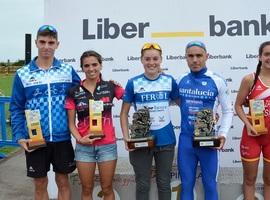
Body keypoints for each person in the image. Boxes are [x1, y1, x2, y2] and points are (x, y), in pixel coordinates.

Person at [9, 25, 80, 200]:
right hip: (35, 138)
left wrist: (105, 85)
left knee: (63, 181)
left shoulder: (67, 70)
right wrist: (19, 135)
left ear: (57, 44)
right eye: (42, 42)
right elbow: (16, 107)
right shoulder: (22, 74)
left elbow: (84, 93)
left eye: (51, 42)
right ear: (36, 43)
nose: (46, 46)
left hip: (62, 137)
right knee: (40, 184)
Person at [120, 43, 179, 200]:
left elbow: (183, 105)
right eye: (147, 59)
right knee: (143, 184)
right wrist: (126, 137)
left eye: (155, 58)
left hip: (166, 141)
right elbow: (123, 113)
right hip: (141, 141)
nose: (151, 62)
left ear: (161, 59)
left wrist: (209, 114)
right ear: (141, 60)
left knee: (164, 183)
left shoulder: (169, 81)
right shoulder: (133, 82)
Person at [177, 41, 233, 200]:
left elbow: (228, 111)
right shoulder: (180, 79)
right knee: (186, 184)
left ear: (206, 56)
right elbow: (164, 100)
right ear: (185, 58)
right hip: (186, 141)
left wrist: (222, 134)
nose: (195, 60)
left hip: (208, 141)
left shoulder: (217, 80)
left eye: (199, 55)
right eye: (191, 56)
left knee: (209, 184)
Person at [65, 50, 124, 200]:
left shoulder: (111, 87)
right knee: (86, 189)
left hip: (107, 145)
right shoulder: (73, 91)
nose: (91, 69)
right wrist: (80, 139)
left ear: (100, 65)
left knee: (107, 188)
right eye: (87, 65)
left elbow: (132, 97)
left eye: (94, 64)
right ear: (82, 68)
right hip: (84, 147)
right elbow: (71, 124)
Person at [235, 41, 270, 200]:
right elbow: (237, 106)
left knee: (269, 180)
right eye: (267, 54)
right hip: (252, 137)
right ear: (260, 57)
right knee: (250, 179)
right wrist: (248, 124)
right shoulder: (250, 79)